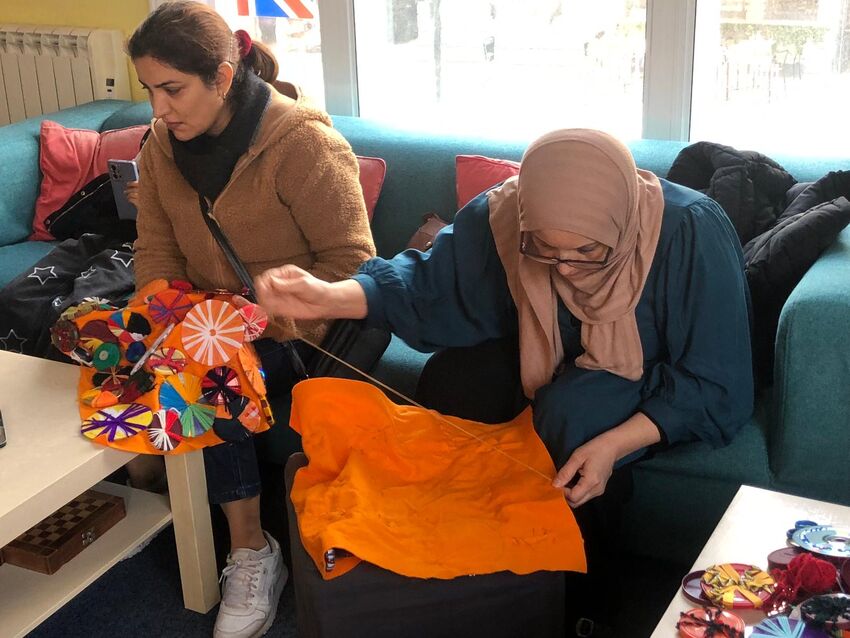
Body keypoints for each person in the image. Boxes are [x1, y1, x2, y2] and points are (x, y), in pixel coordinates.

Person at [254, 128, 754, 634]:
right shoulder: (505, 215)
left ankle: (584, 598)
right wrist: (326, 296)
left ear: (621, 226)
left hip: (646, 373)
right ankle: (477, 577)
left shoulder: (690, 227)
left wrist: (616, 444)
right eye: (546, 252)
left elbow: (715, 377)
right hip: (539, 355)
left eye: (587, 252)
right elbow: (429, 285)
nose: (567, 270)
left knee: (573, 417)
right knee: (452, 381)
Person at [125, 3, 376, 637]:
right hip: (207, 321)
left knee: (209, 373)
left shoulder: (303, 144)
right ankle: (151, 485)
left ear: (224, 73)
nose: (159, 109)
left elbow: (353, 266)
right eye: (150, 90)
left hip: (297, 331)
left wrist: (260, 316)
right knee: (115, 343)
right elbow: (154, 249)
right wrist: (164, 310)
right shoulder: (161, 148)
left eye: (172, 89)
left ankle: (249, 550)